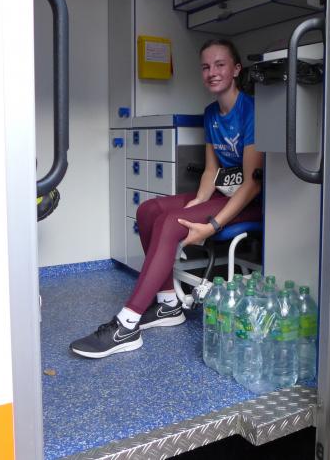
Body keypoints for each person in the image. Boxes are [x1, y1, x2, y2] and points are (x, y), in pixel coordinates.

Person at [70, 39, 263, 358]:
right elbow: (211, 170)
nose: (212, 72)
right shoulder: (211, 113)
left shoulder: (252, 110)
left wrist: (212, 225)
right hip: (222, 192)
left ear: (236, 69)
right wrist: (199, 201)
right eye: (206, 67)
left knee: (171, 222)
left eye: (220, 65)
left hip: (251, 202)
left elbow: (253, 184)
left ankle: (127, 323)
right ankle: (168, 304)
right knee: (149, 210)